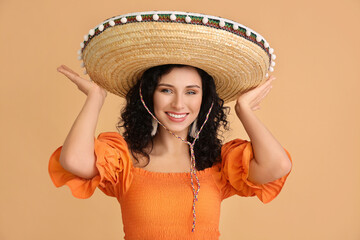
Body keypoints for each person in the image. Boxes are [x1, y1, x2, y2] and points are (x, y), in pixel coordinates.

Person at [48, 11, 292, 239]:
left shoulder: (219, 165)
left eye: (191, 92)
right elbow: (73, 161)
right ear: (148, 95)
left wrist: (244, 110)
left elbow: (278, 165)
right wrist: (95, 99)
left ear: (204, 99)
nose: (178, 104)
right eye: (166, 90)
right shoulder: (124, 162)